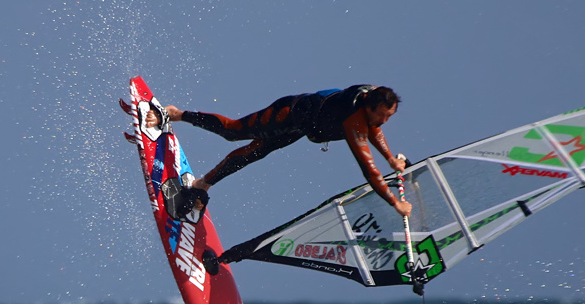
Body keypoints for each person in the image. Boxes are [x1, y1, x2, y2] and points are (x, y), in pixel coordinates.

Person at [146, 85, 411, 217]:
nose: (384, 122)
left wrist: (390, 159)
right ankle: (176, 114)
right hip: (287, 114)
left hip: (298, 128)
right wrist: (395, 203)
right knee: (233, 131)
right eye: (382, 116)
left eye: (389, 117)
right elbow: (369, 170)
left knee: (253, 154)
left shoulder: (373, 102)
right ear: (368, 105)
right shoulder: (355, 119)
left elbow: (374, 128)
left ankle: (202, 184)